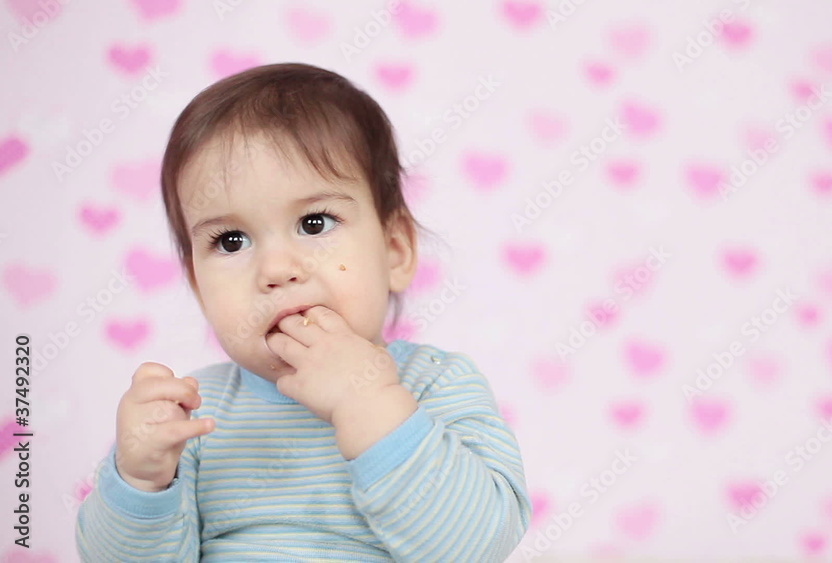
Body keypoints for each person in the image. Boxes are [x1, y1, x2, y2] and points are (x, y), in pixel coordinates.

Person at [75, 62, 531, 561]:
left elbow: (478, 545)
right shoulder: (195, 415)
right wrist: (140, 483)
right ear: (198, 288)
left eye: (314, 223)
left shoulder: (435, 384)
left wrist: (370, 405)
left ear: (395, 250)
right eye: (231, 241)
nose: (276, 268)